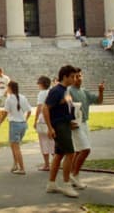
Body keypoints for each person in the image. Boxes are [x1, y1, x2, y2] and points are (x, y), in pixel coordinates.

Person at [43, 65, 80, 198]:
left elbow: (60, 108)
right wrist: (50, 127)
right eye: (72, 76)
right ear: (65, 77)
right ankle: (66, 185)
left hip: (64, 124)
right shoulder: (57, 90)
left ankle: (51, 184)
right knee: (70, 153)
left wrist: (69, 121)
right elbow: (45, 108)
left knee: (59, 154)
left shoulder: (65, 90)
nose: (75, 78)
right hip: (59, 126)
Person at [68, 68, 104, 190]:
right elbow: (65, 106)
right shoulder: (69, 91)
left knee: (79, 151)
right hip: (75, 125)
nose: (78, 78)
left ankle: (73, 176)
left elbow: (99, 101)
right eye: (76, 76)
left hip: (84, 123)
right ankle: (74, 175)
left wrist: (100, 91)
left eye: (80, 76)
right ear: (72, 78)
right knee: (86, 149)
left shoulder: (84, 91)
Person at [0, 81, 32, 174]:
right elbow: (29, 111)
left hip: (15, 124)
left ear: (10, 88)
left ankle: (22, 168)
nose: (6, 89)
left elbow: (5, 114)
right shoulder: (23, 97)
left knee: (16, 147)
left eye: (7, 87)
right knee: (13, 145)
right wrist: (25, 120)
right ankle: (15, 164)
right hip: (23, 124)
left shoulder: (9, 99)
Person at [33, 76, 55, 171]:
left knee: (43, 142)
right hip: (52, 119)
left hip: (43, 119)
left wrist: (35, 120)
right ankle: (55, 162)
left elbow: (39, 108)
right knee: (52, 142)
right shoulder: (51, 92)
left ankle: (47, 164)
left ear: (41, 84)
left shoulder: (41, 93)